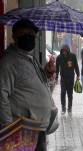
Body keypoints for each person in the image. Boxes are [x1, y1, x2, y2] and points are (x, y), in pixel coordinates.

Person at [0, 19, 56, 151]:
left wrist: (46, 73)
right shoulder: (9, 62)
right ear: (15, 36)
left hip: (37, 128)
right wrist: (9, 128)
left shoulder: (29, 58)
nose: (29, 36)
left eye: (32, 34)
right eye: (25, 33)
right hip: (22, 131)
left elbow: (28, 84)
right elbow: (1, 94)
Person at [55, 44, 80, 114]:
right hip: (63, 77)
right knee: (63, 92)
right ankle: (63, 108)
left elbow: (76, 66)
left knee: (70, 93)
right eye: (63, 51)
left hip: (71, 78)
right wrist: (56, 77)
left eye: (65, 51)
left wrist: (78, 75)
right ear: (61, 51)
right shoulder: (59, 58)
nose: (64, 52)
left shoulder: (73, 56)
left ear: (68, 51)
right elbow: (57, 68)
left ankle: (69, 107)